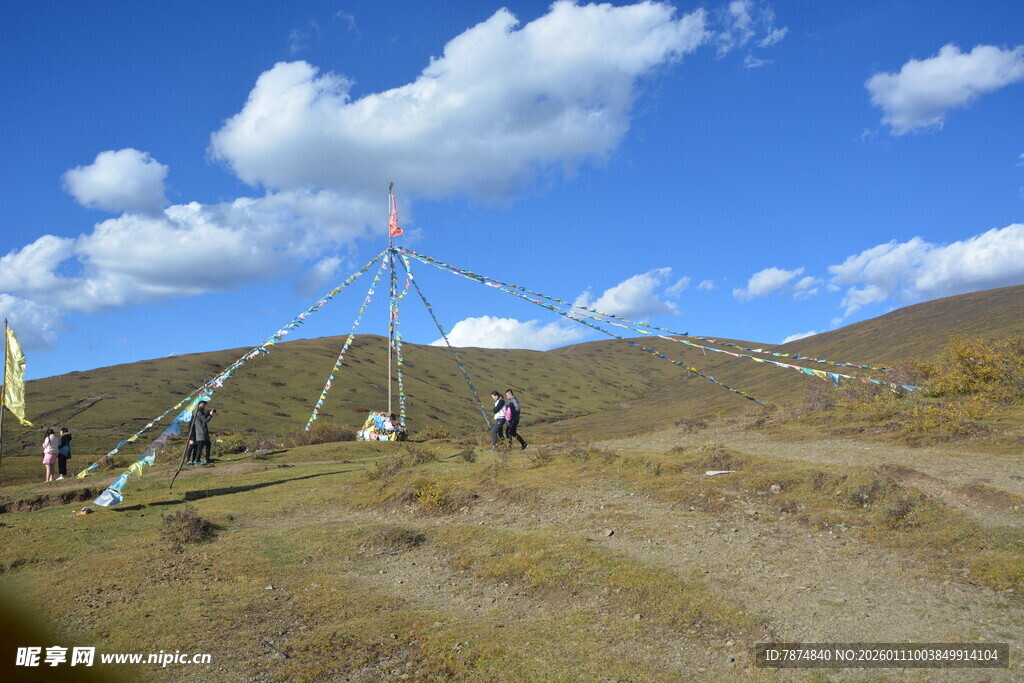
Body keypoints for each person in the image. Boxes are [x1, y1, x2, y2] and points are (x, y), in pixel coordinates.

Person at [186, 400, 215, 466]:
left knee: (207, 444)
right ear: (200, 404)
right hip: (200, 431)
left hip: (202, 431)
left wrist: (207, 413)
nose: (204, 406)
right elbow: (204, 420)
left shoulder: (199, 412)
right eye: (203, 405)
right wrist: (210, 415)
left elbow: (203, 417)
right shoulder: (197, 412)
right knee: (199, 446)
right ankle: (196, 460)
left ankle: (206, 459)